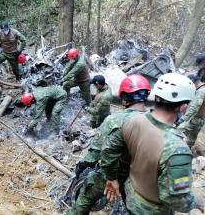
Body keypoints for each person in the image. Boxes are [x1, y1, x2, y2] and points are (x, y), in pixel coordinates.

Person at [102, 73, 204, 214]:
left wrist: (111, 178)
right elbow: (176, 199)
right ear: (182, 107)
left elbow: (109, 150)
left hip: (131, 194)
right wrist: (197, 203)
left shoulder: (133, 121)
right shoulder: (178, 149)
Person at [67, 74, 151, 215]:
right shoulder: (156, 122)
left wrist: (82, 166)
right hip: (140, 180)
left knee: (85, 198)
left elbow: (95, 153)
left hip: (114, 175)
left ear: (124, 99)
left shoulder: (114, 120)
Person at [177, 74, 205, 156]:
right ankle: (187, 153)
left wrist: (183, 119)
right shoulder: (202, 89)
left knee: (177, 131)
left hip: (194, 119)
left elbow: (194, 107)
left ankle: (179, 153)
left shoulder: (201, 91)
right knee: (191, 139)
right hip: (200, 119)